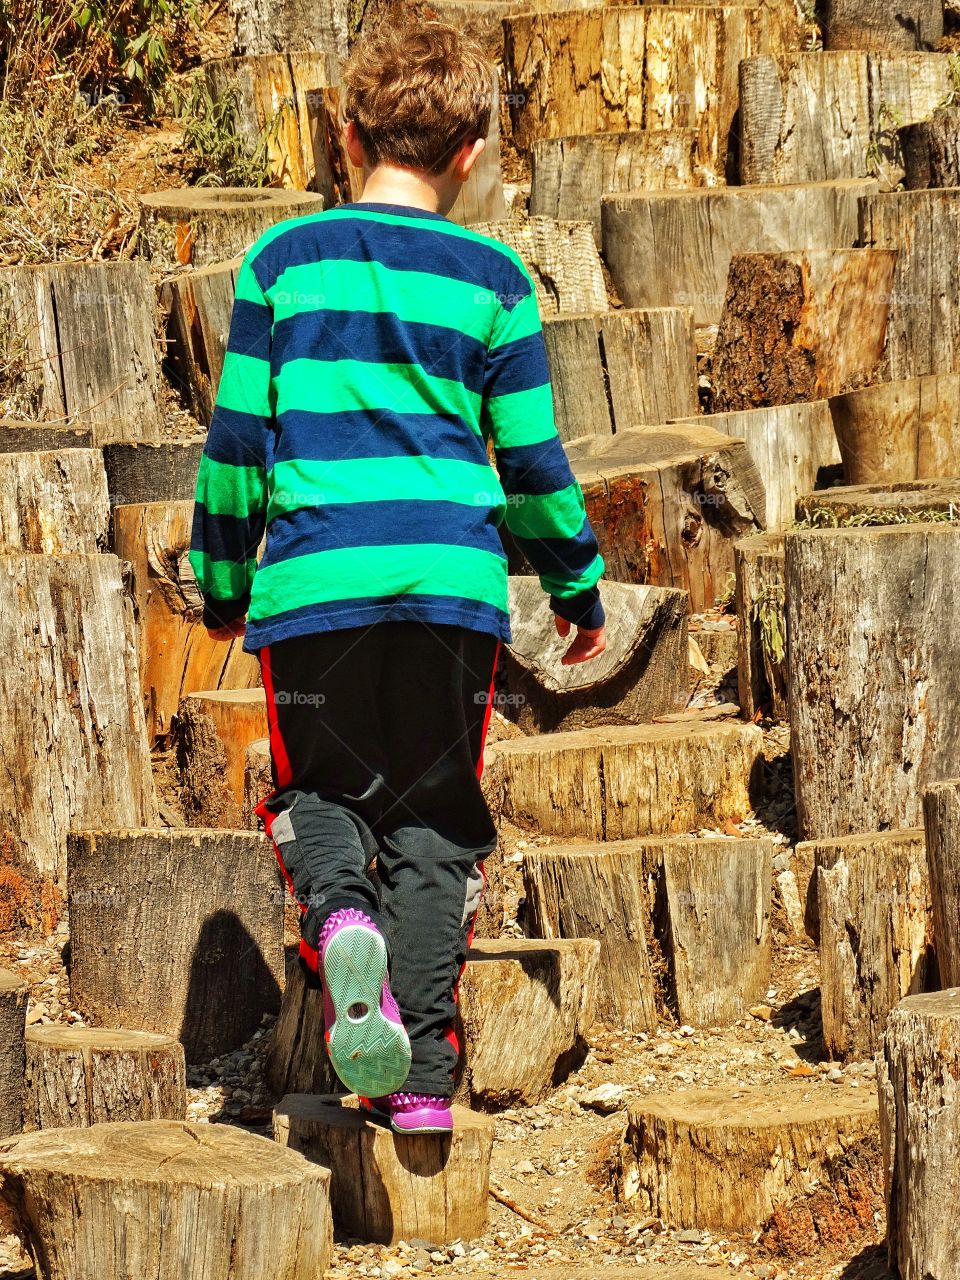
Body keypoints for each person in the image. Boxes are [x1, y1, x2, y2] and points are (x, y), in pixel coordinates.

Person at [189, 19, 606, 1135]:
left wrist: (222, 580)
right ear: (473, 150)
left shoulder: (280, 261)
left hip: (316, 595)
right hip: (447, 602)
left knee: (317, 791)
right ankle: (420, 1074)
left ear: (345, 127)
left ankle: (339, 922)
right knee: (437, 814)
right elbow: (532, 463)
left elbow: (237, 448)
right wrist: (576, 586)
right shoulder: (495, 278)